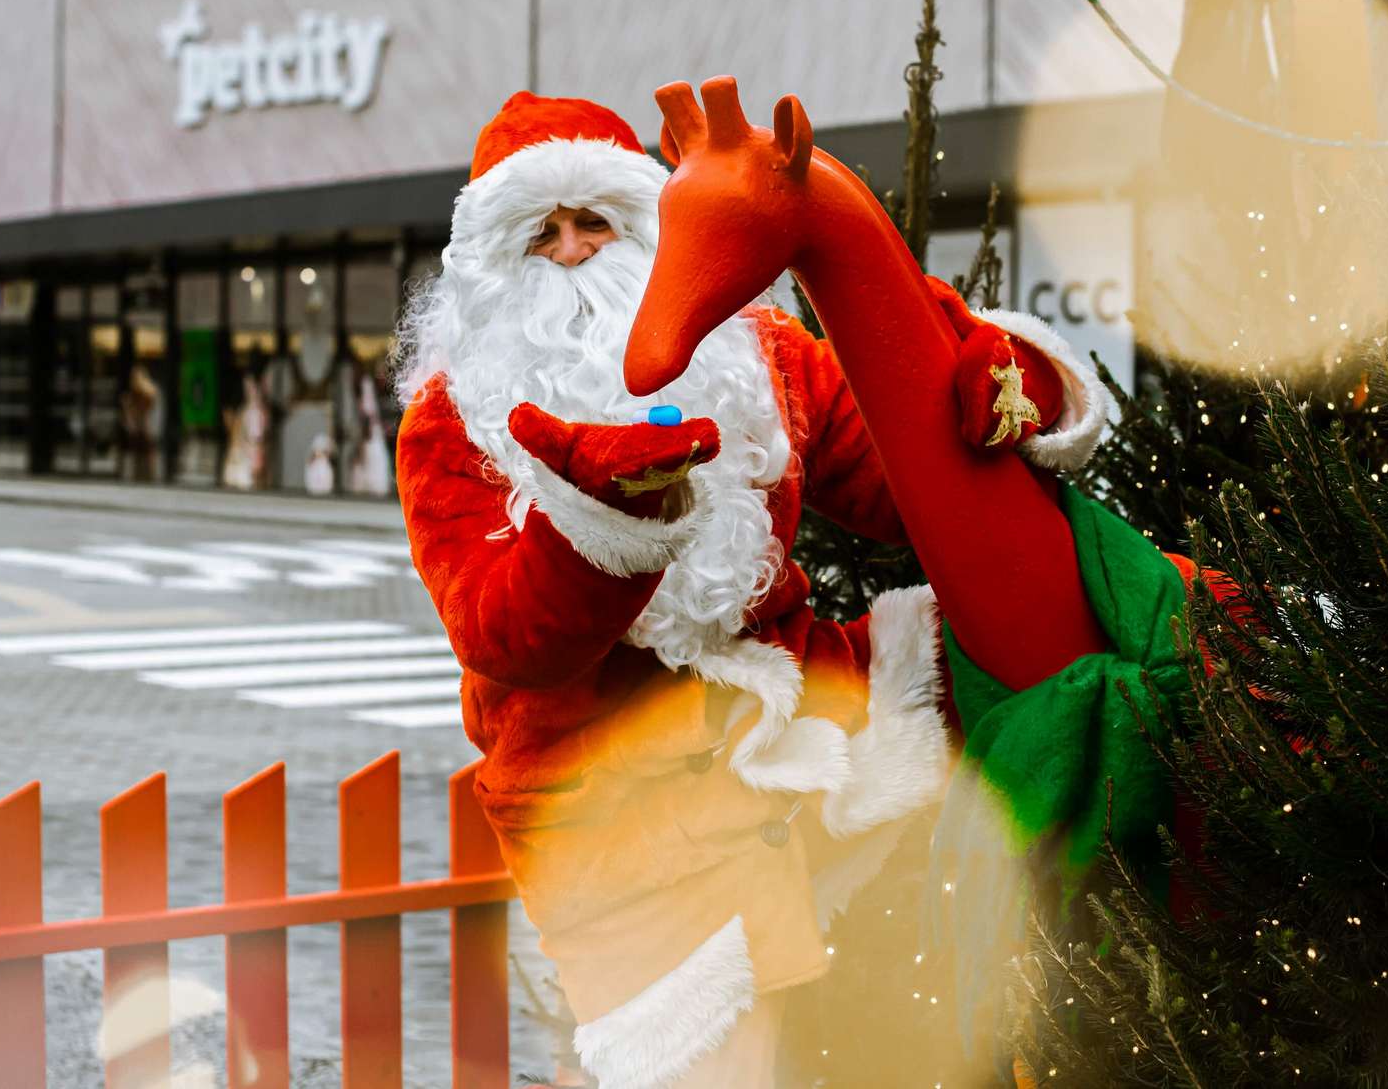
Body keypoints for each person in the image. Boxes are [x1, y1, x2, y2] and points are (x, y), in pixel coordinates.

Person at [392, 91, 1109, 1089]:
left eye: (594, 219)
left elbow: (898, 482)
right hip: (620, 810)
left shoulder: (756, 353)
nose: (571, 251)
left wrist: (999, 377)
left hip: (813, 738)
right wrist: (602, 525)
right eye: (537, 234)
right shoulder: (450, 419)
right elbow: (507, 637)